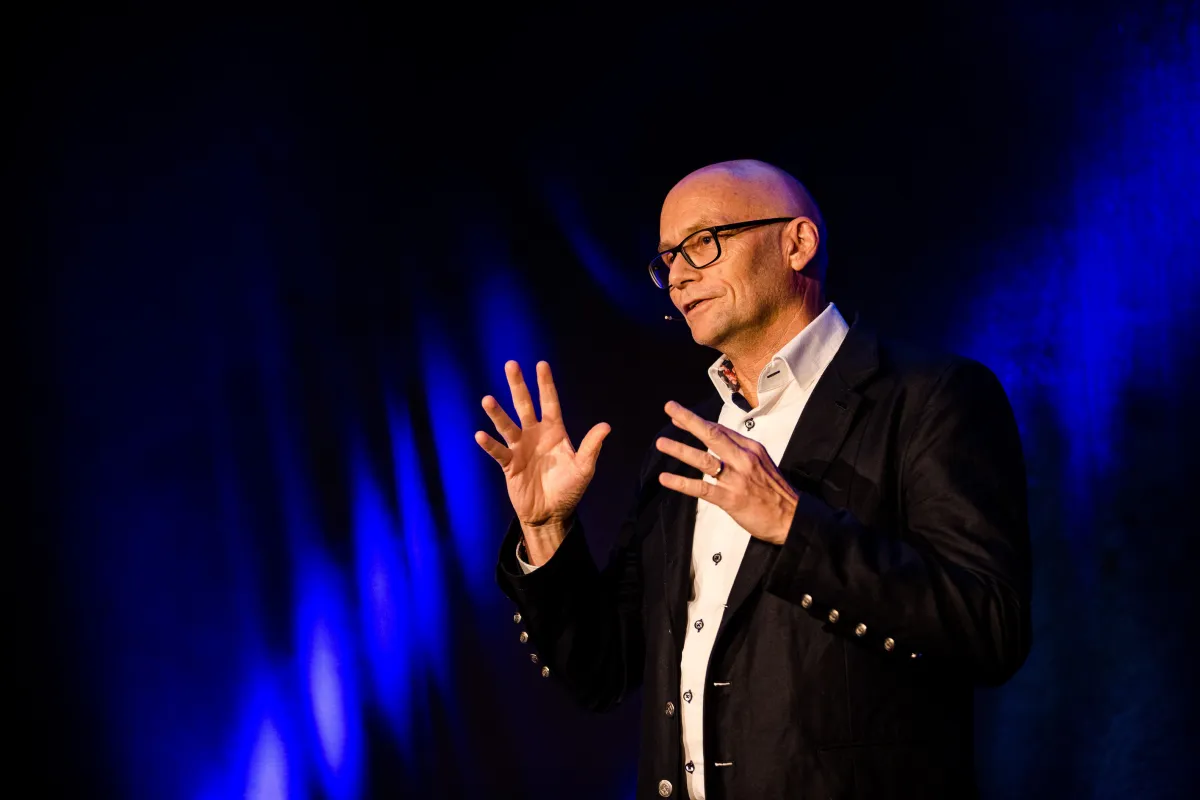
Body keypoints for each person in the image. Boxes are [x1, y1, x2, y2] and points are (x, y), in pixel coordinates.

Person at [474, 159, 1031, 799]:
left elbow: (991, 629)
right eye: (666, 261)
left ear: (796, 242)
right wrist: (546, 532)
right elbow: (605, 669)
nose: (678, 275)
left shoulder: (929, 398)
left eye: (702, 244)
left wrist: (796, 527)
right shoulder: (682, 454)